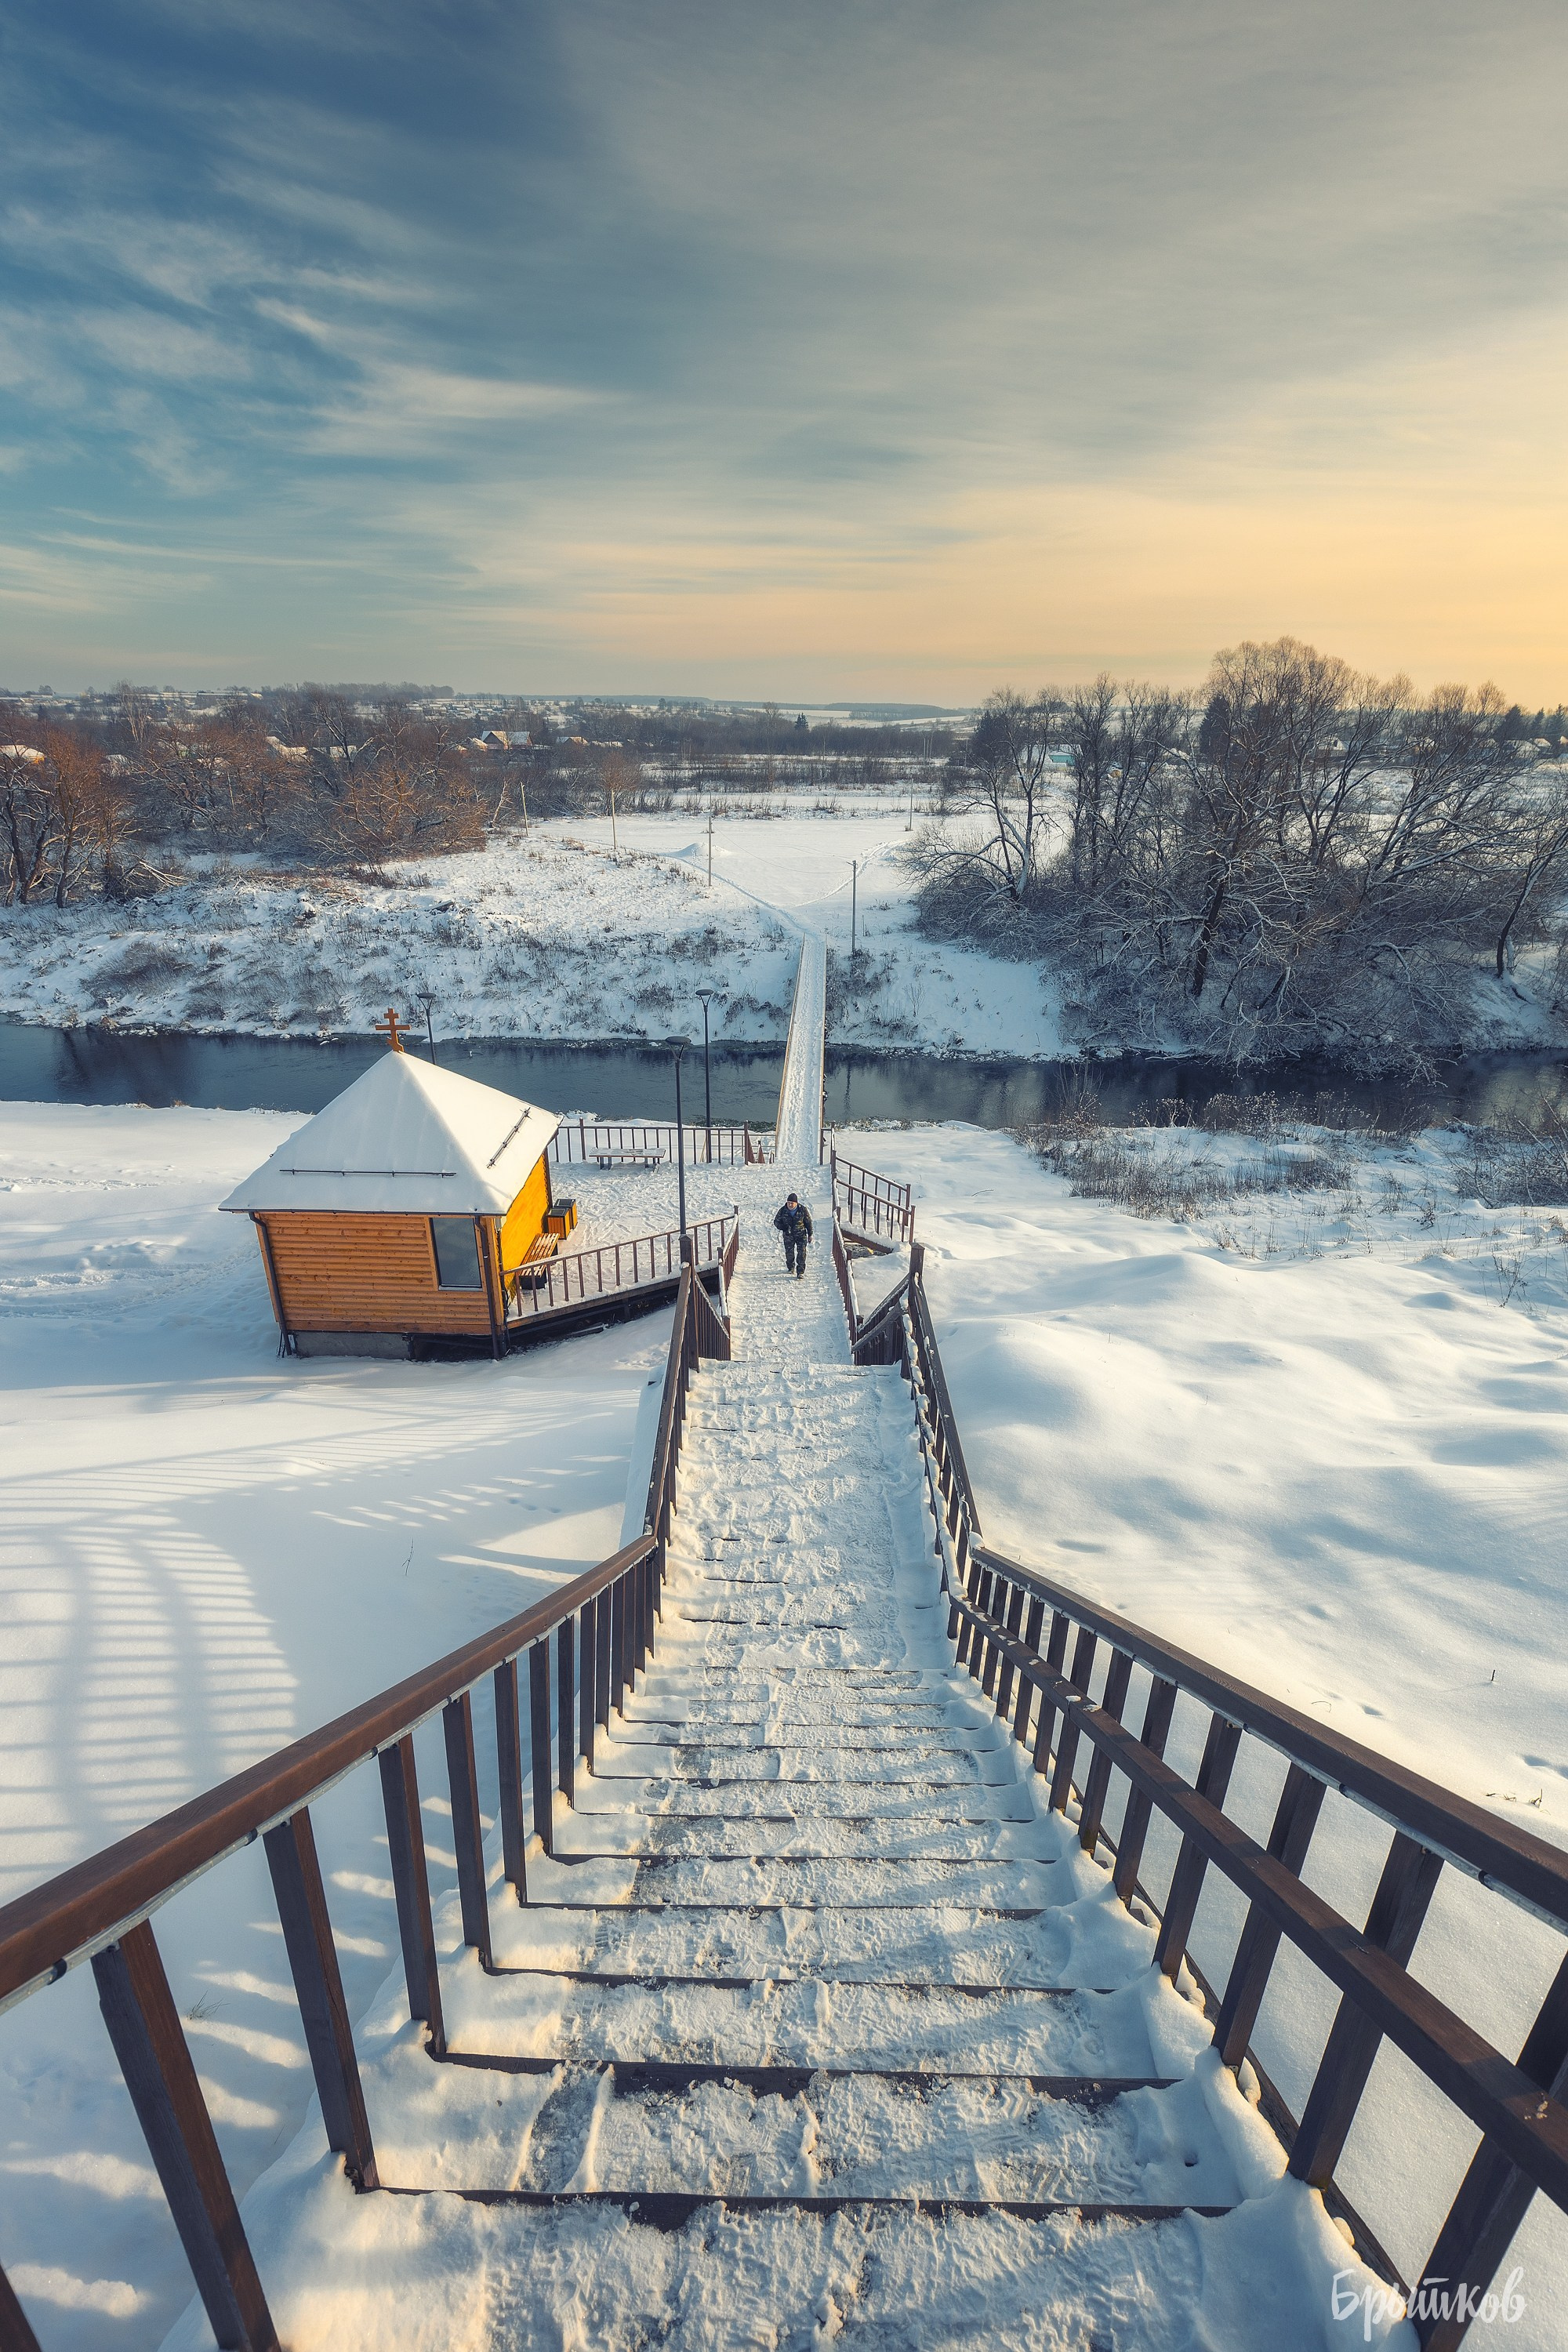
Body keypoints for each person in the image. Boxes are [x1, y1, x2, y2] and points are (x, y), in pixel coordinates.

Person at [773, 1190, 814, 1279]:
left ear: (796, 1203)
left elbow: (808, 1222)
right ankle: (790, 1267)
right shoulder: (783, 1210)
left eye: (792, 1203)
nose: (790, 1205)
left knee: (802, 1253)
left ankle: (800, 1272)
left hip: (801, 1235)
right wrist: (783, 1227)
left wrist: (810, 1234)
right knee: (789, 1253)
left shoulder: (802, 1210)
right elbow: (776, 1221)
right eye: (789, 1203)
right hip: (788, 1236)